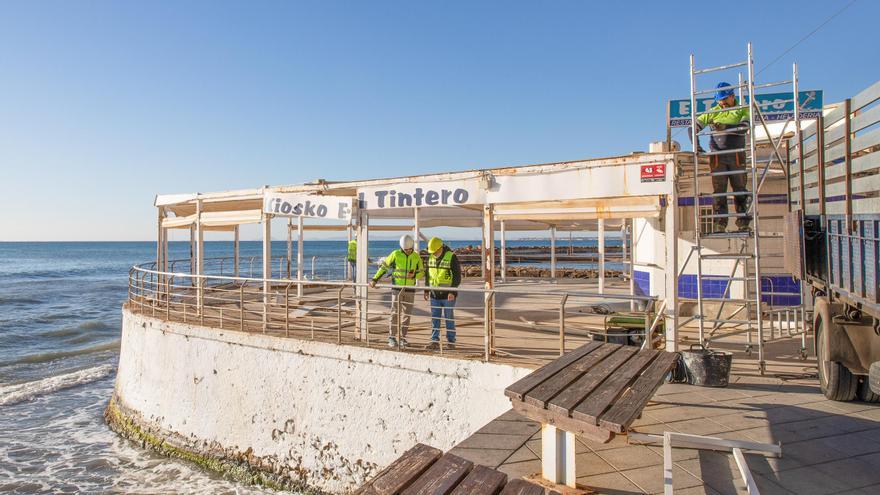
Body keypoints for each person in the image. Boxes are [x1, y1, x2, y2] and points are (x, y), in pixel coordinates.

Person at [694, 82, 751, 233]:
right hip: (717, 157)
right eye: (720, 100)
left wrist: (724, 127)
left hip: (737, 154)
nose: (722, 103)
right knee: (719, 192)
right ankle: (720, 224)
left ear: (733, 96)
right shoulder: (713, 112)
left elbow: (744, 128)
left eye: (725, 99)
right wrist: (697, 144)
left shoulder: (742, 109)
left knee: (739, 189)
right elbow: (693, 127)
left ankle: (743, 222)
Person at [369, 234, 424, 348]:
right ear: (402, 248)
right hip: (396, 289)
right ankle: (392, 337)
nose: (408, 251)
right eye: (406, 249)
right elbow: (384, 267)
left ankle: (403, 338)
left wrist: (414, 275)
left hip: (410, 289)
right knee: (394, 314)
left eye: (410, 249)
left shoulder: (416, 256)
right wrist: (375, 279)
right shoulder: (395, 254)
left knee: (407, 315)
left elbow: (422, 272)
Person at [423, 237, 462, 350]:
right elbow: (428, 276)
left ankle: (451, 341)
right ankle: (434, 340)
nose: (433, 253)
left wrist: (452, 291)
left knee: (448, 318)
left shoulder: (451, 257)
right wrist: (426, 290)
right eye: (432, 251)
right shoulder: (430, 258)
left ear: (440, 248)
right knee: (435, 318)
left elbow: (457, 276)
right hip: (434, 295)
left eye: (434, 251)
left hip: (448, 295)